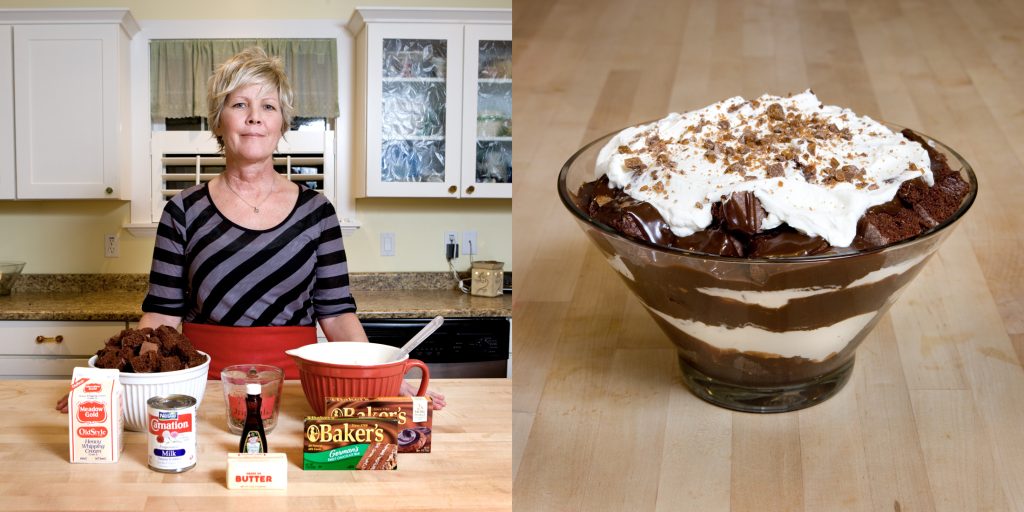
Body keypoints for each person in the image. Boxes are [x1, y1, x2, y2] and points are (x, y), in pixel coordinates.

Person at [58, 47, 444, 412]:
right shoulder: (183, 211)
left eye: (268, 106)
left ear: (281, 124)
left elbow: (338, 315)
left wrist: (378, 378)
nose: (254, 117)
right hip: (204, 384)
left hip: (298, 386)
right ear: (219, 121)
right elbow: (161, 316)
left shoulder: (316, 212)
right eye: (240, 104)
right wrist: (106, 383)